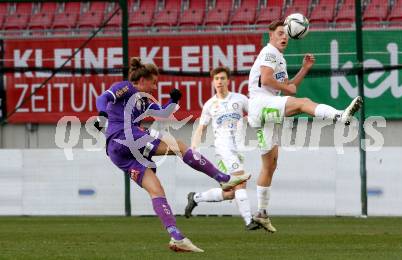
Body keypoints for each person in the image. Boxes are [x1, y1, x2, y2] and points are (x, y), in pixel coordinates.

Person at [94, 58, 250, 252]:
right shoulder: (126, 87)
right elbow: (103, 98)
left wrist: (174, 100)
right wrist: (101, 115)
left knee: (157, 191)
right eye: (153, 82)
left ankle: (176, 236)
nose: (154, 87)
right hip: (124, 135)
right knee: (181, 147)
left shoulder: (144, 101)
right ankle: (223, 178)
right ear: (143, 79)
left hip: (117, 152)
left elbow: (163, 113)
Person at [247, 21, 362, 232]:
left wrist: (304, 69)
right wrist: (287, 87)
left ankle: (261, 214)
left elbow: (289, 88)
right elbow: (266, 79)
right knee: (303, 102)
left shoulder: (277, 58)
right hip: (261, 105)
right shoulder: (269, 52)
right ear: (270, 35)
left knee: (270, 165)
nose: (284, 37)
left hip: (263, 112)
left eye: (286, 35)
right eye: (280, 33)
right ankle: (339, 115)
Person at [184, 67, 260, 230]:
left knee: (231, 193)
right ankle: (249, 221)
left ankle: (196, 198)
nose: (219, 81)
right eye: (216, 78)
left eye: (222, 78)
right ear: (213, 82)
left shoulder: (240, 99)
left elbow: (255, 115)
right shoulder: (210, 104)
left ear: (228, 80)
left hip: (238, 149)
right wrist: (194, 147)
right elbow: (201, 128)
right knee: (240, 181)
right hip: (223, 150)